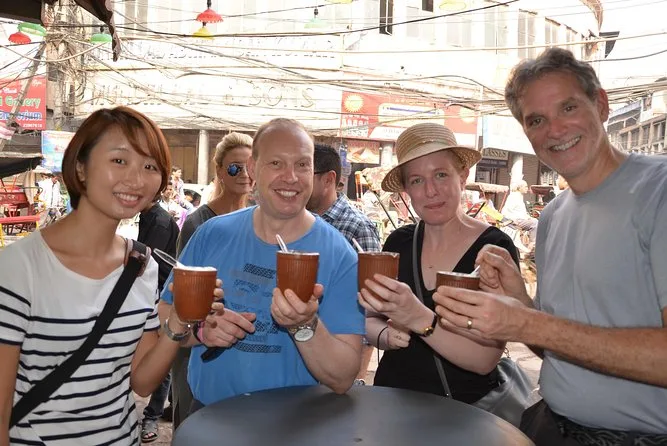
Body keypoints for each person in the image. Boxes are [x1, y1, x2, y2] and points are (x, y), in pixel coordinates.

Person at [434, 48, 667, 444]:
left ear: (601, 104)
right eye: (536, 120)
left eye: (568, 108)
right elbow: (560, 347)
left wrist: (527, 322)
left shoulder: (657, 191)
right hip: (553, 428)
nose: (555, 130)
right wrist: (518, 301)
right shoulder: (554, 216)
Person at [0, 106, 209, 445]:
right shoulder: (19, 267)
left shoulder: (141, 264)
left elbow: (142, 381)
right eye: (119, 160)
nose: (136, 179)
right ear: (80, 167)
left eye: (150, 166)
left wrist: (179, 321)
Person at [160, 118, 364, 411]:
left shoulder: (340, 255)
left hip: (297, 423)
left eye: (302, 165)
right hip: (209, 415)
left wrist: (304, 325)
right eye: (276, 163)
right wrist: (200, 331)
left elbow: (343, 377)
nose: (291, 177)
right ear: (253, 169)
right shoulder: (212, 234)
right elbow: (164, 315)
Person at [358, 122, 519, 404]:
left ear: (462, 176)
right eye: (417, 180)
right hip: (393, 403)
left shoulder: (494, 249)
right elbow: (369, 317)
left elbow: (485, 359)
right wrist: (386, 335)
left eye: (441, 175)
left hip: (464, 411)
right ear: (406, 189)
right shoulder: (398, 242)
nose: (431, 191)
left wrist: (417, 317)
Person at [170, 131, 254, 429]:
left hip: (242, 341)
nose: (243, 174)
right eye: (234, 167)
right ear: (219, 171)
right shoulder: (199, 223)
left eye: (249, 166)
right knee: (194, 423)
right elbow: (182, 291)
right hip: (198, 338)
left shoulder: (261, 220)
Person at [306, 143, 381, 386]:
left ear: (329, 180)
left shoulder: (357, 227)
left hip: (338, 360)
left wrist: (355, 377)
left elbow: (370, 307)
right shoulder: (296, 223)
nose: (296, 181)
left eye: (305, 172)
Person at [137, 201, 180, 443]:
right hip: (155, 293)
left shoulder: (160, 222)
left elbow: (144, 262)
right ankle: (171, 404)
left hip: (164, 295)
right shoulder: (148, 216)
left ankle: (151, 415)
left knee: (162, 355)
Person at [501, 180, 537, 244]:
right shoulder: (514, 196)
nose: (527, 188)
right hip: (515, 221)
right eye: (525, 186)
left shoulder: (519, 196)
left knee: (535, 220)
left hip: (521, 219)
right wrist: (513, 220)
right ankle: (532, 243)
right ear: (520, 188)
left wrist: (528, 217)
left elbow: (521, 212)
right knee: (535, 223)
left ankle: (532, 242)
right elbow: (505, 211)